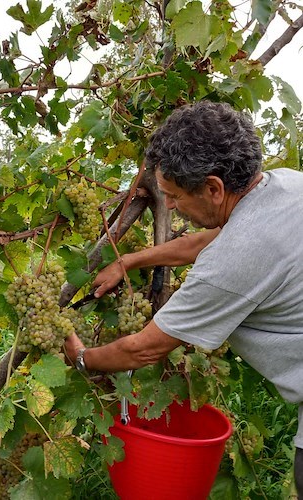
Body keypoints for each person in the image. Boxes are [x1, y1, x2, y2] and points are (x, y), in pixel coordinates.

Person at [63, 100, 303, 496]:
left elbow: (143, 349)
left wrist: (82, 358)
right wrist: (129, 261)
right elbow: (208, 241)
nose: (169, 206)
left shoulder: (233, 263)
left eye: (174, 196)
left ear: (213, 188)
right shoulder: (286, 184)